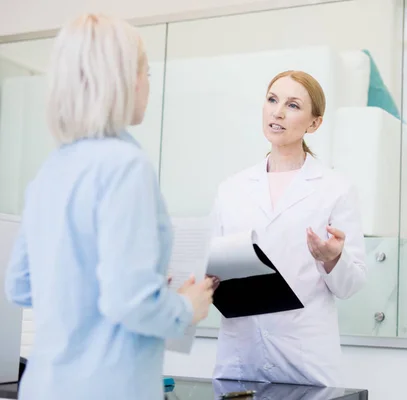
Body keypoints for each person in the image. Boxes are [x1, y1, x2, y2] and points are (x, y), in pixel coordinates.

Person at [3, 14, 214, 400]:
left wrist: (128, 283)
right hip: (108, 387)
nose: (149, 84)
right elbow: (127, 301)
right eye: (146, 72)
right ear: (123, 79)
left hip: (43, 386)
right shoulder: (125, 167)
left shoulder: (50, 170)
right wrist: (185, 306)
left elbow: (20, 285)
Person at [211, 70, 367, 387]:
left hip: (304, 357)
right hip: (242, 353)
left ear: (314, 123)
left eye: (293, 105)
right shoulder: (231, 189)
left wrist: (332, 258)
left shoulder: (335, 189)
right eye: (272, 100)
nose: (277, 112)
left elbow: (351, 285)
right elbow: (210, 262)